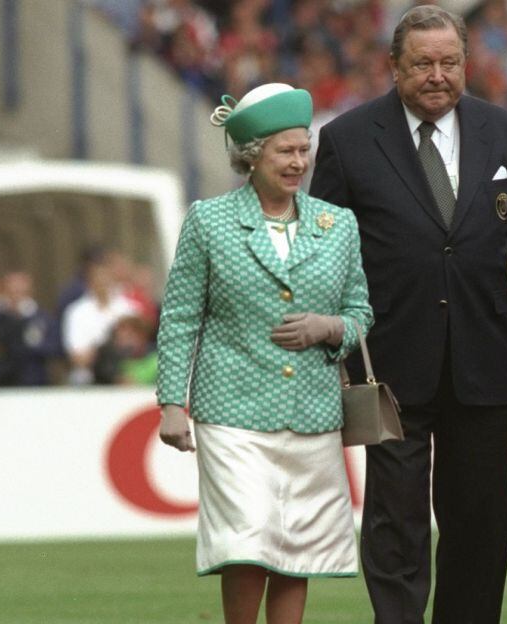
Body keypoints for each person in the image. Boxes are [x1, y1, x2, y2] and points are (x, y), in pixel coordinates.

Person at [310, 6, 507, 623]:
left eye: (448, 62)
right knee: (394, 520)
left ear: (466, 65)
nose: (437, 75)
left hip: (482, 361)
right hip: (388, 366)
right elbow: (323, 258)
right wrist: (330, 354)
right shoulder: (348, 140)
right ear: (393, 67)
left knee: (481, 520)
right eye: (422, 64)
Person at [155, 82, 372, 624]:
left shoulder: (336, 223)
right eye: (285, 151)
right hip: (232, 410)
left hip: (313, 412)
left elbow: (361, 313)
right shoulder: (209, 221)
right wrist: (171, 404)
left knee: (296, 545)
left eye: (304, 150)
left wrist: (329, 328)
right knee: (247, 539)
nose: (299, 162)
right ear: (251, 156)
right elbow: (181, 316)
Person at [61, 256, 140, 385]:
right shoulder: (76, 312)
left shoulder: (128, 309)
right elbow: (78, 358)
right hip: (88, 381)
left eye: (106, 277)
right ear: (89, 281)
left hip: (126, 378)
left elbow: (138, 349)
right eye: (97, 278)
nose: (102, 282)